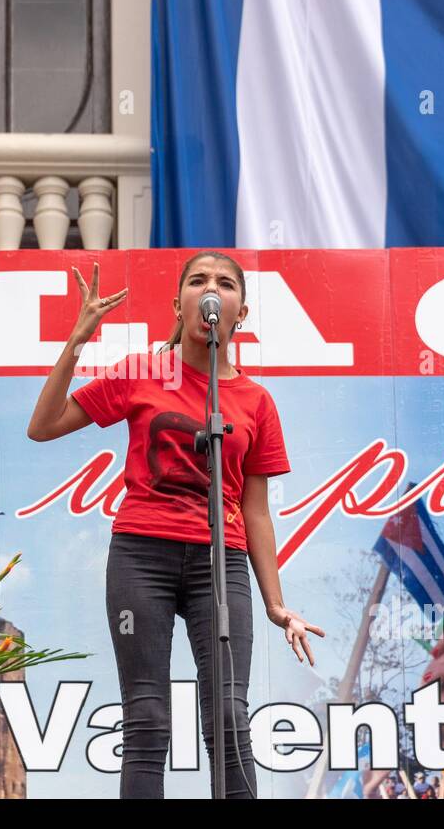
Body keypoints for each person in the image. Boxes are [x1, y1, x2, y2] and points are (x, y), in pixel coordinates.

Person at [27, 253, 325, 799]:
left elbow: (256, 509)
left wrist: (274, 602)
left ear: (240, 312)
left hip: (222, 562)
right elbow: (42, 426)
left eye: (225, 284)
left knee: (230, 717)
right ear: (179, 303)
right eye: (198, 281)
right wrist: (78, 339)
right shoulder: (143, 372)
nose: (211, 290)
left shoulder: (256, 401)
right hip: (142, 554)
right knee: (147, 715)